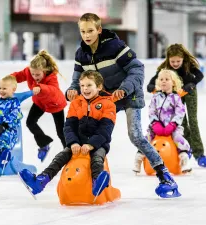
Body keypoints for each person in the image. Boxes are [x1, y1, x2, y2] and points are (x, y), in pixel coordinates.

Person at [65, 13, 179, 196]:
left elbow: (137, 69)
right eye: (83, 31)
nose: (86, 35)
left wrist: (124, 89)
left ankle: (164, 174)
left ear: (99, 30)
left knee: (135, 135)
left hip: (129, 95)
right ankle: (93, 176)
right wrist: (71, 90)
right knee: (91, 132)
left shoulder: (114, 46)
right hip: (105, 99)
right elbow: (77, 80)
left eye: (90, 31)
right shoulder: (81, 54)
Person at [19, 70, 115, 196]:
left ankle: (97, 183)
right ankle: (41, 181)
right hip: (78, 143)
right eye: (82, 86)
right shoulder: (76, 103)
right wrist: (73, 142)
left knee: (97, 159)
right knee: (60, 157)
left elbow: (105, 129)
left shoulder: (108, 104)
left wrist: (91, 144)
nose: (85, 89)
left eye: (89, 85)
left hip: (98, 145)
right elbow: (69, 127)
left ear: (99, 87)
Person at [147, 44, 205, 167]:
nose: (175, 63)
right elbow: (154, 80)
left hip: (189, 93)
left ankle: (199, 154)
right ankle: (187, 149)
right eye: (172, 61)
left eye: (178, 61)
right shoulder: (165, 67)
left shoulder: (188, 65)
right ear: (168, 59)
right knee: (181, 123)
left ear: (183, 58)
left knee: (193, 121)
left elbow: (200, 75)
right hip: (176, 96)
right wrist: (151, 86)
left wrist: (191, 84)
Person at [11, 50, 67, 162]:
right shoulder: (29, 71)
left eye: (38, 74)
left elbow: (53, 90)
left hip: (54, 103)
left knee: (61, 131)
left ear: (44, 71)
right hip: (40, 102)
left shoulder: (51, 76)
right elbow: (18, 76)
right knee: (30, 122)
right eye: (33, 74)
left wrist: (41, 87)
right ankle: (44, 143)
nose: (34, 77)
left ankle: (69, 151)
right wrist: (8, 80)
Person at [134, 69, 192, 173]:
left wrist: (173, 124)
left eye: (167, 79)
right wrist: (155, 123)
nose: (163, 81)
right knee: (145, 139)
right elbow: (151, 110)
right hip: (156, 127)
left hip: (173, 127)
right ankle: (138, 159)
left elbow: (180, 112)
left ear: (173, 82)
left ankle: (184, 160)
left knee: (178, 138)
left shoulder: (176, 97)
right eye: (161, 79)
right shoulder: (156, 97)